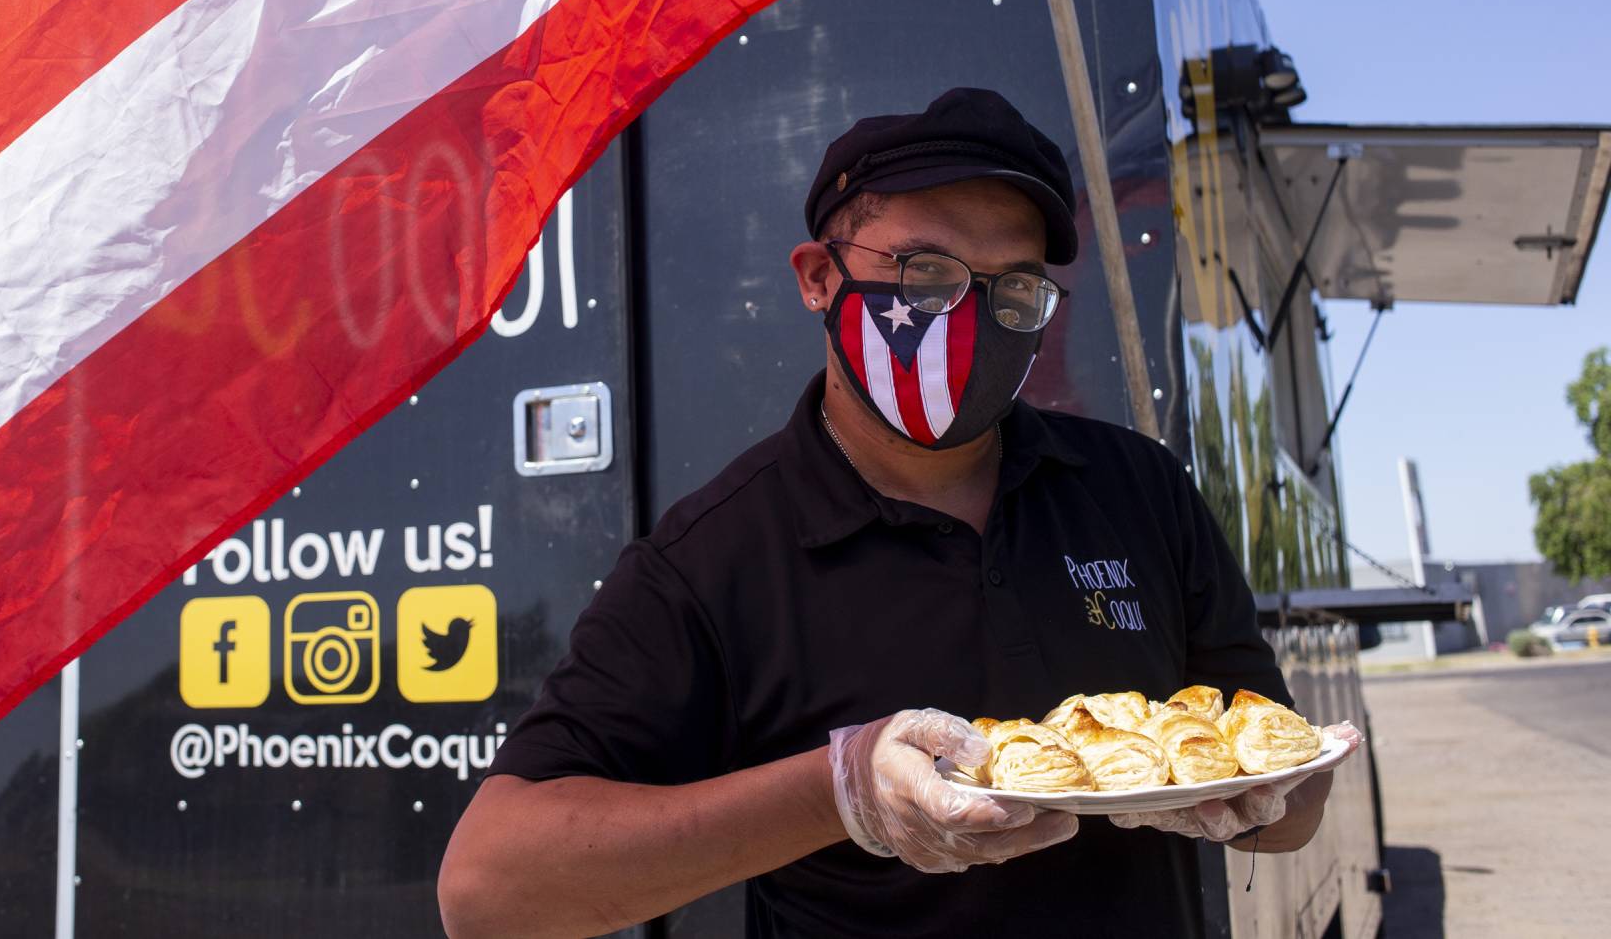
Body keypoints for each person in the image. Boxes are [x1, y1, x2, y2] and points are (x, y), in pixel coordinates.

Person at [437, 88, 1360, 938]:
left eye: (1014, 289)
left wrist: (1270, 798)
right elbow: (488, 886)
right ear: (817, 277)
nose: (972, 316)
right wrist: (842, 790)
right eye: (924, 273)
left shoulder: (1137, 490)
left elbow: (1280, 785)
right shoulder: (715, 556)